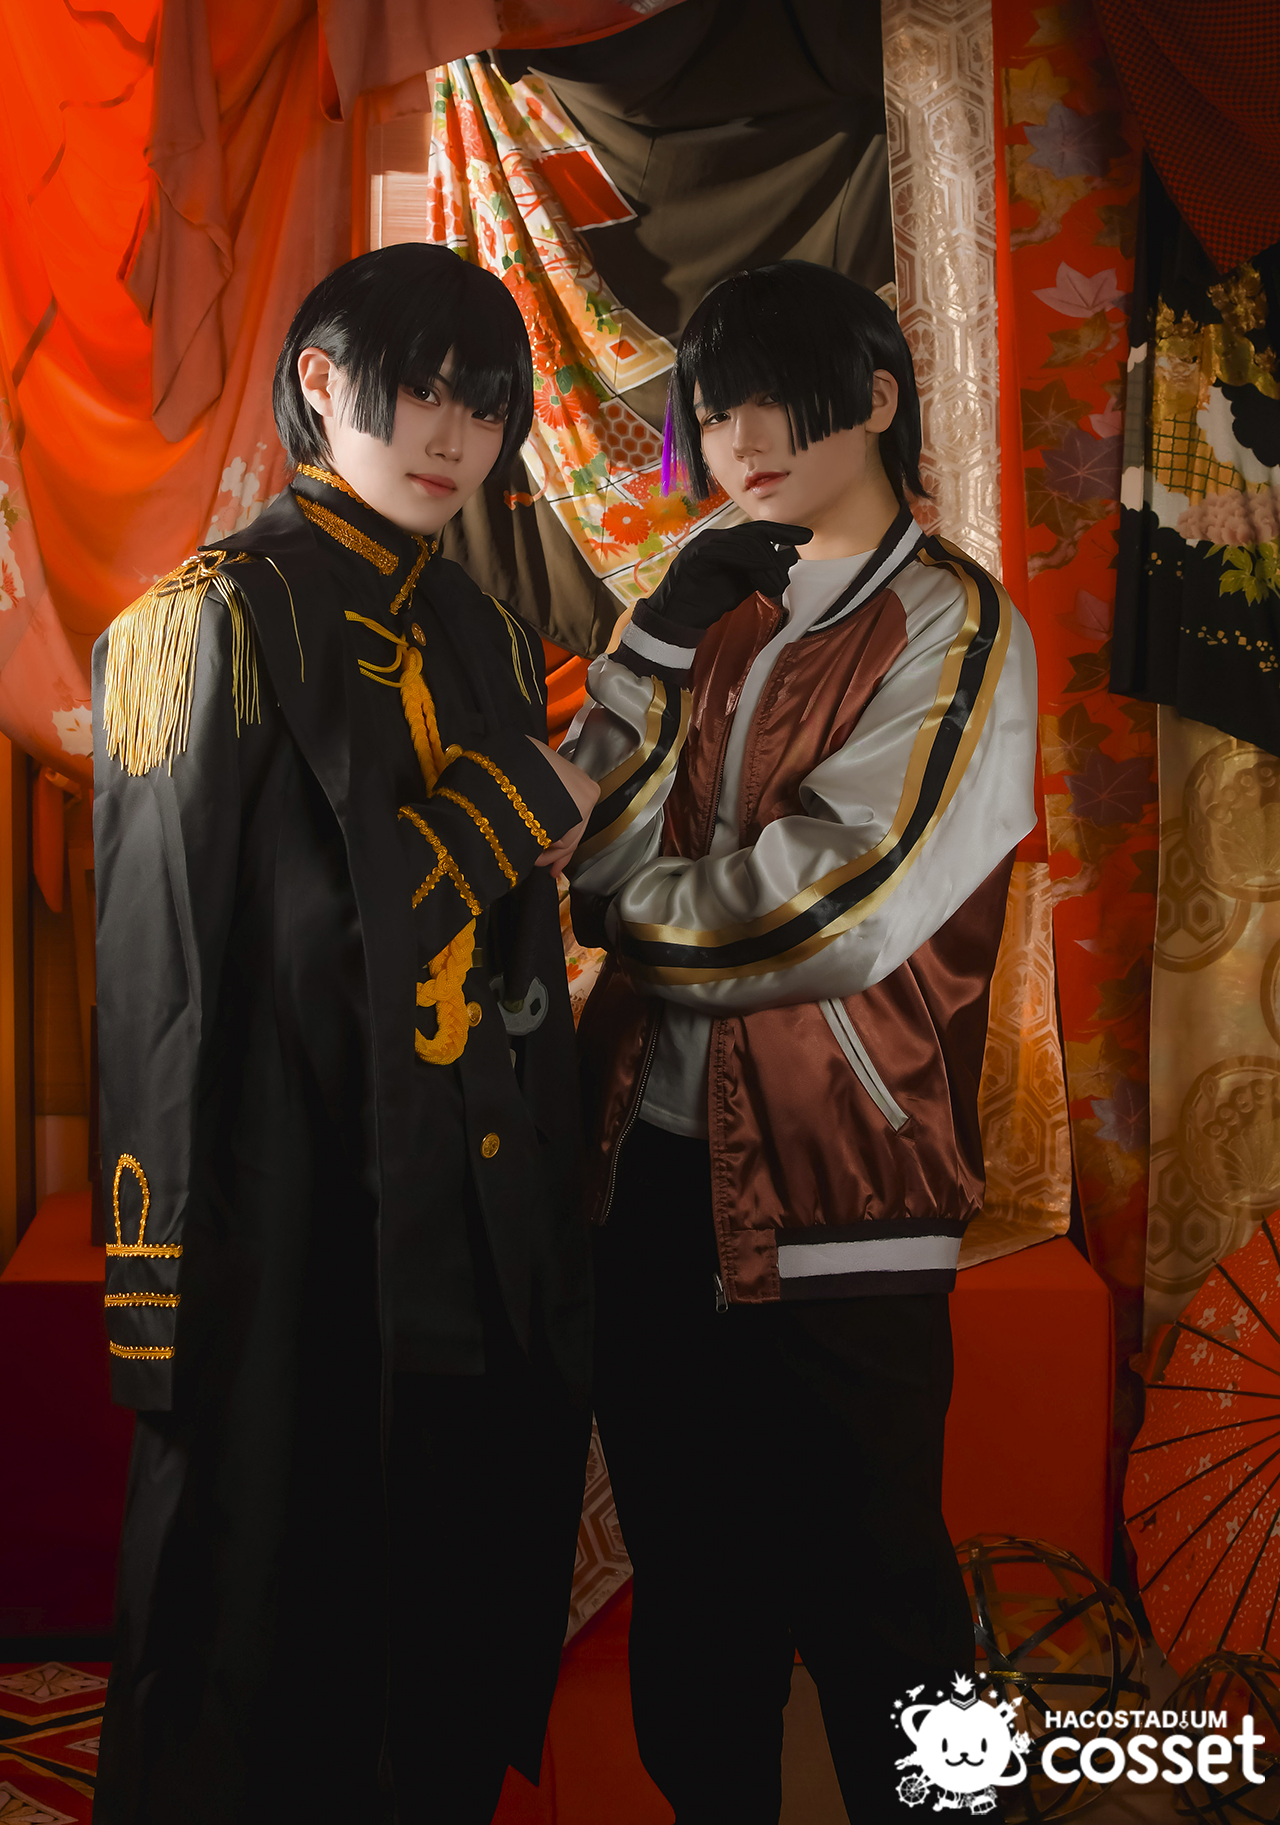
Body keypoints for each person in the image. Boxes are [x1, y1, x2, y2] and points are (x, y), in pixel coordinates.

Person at [91, 243, 600, 1825]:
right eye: (421, 393)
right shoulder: (208, 626)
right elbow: (173, 981)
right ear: (321, 384)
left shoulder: (490, 636)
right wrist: (159, 1294)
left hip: (472, 1219)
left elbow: (516, 960)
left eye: (485, 406)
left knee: (445, 1635)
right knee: (265, 1659)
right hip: (286, 1219)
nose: (454, 436)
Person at [564, 261, 1037, 1820]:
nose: (739, 440)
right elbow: (583, 833)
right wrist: (651, 647)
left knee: (886, 1609)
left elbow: (837, 900)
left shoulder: (955, 624)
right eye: (712, 412)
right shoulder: (705, 608)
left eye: (773, 400)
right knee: (698, 1607)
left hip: (845, 1191)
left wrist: (626, 913)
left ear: (877, 400)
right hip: (646, 1177)